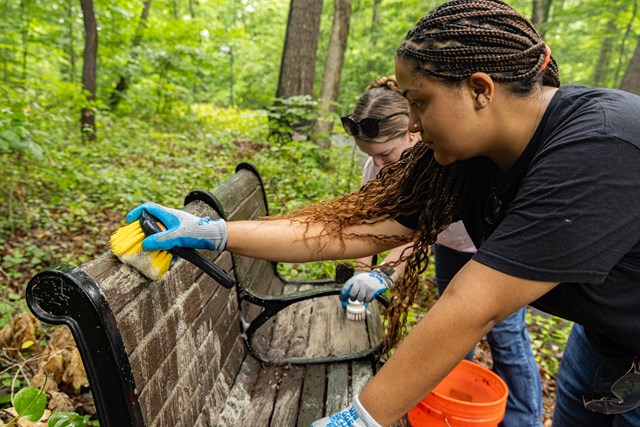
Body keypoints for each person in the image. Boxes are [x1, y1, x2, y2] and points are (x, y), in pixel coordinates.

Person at [124, 1, 640, 425]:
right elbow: (352, 230)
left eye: (419, 103)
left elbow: (472, 305)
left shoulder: (600, 146)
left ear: (480, 90)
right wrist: (212, 231)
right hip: (605, 349)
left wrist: (362, 416)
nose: (411, 122)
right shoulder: (469, 158)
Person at [342, 75, 543, 426]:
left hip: (491, 246)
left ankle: (523, 420)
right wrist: (362, 273)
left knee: (506, 336)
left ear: (412, 131)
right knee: (452, 329)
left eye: (386, 153)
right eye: (371, 156)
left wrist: (386, 272)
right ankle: (450, 402)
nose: (380, 164)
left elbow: (419, 226)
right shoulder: (376, 166)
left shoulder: (446, 153)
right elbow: (374, 226)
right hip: (450, 246)